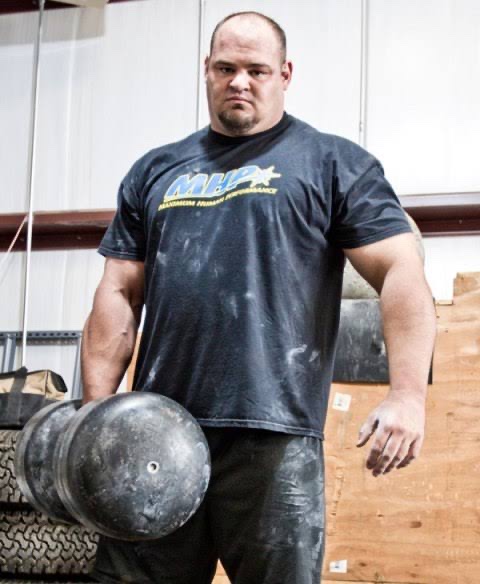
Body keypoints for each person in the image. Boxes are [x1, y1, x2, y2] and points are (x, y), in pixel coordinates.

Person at [81, 11, 436, 584]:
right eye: (226, 68)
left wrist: (408, 395)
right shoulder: (155, 170)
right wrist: (95, 412)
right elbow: (119, 291)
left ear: (285, 74)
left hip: (274, 436)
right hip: (154, 434)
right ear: (207, 70)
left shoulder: (332, 163)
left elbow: (401, 269)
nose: (239, 82)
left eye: (256, 70)